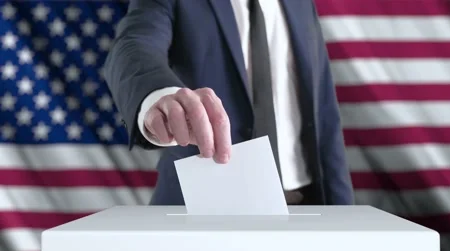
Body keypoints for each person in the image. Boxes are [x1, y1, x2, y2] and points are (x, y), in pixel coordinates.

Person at [103, 0, 354, 205]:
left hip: (307, 203)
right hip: (205, 207)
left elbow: (323, 114)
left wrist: (344, 212)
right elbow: (134, 44)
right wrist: (159, 93)